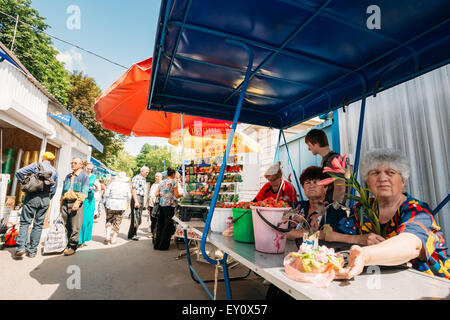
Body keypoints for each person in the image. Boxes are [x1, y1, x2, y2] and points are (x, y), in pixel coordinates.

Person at [320, 149, 449, 279]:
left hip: (431, 283)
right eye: (375, 173)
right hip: (383, 281)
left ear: (403, 181)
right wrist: (359, 239)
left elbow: (411, 245)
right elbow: (331, 235)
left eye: (390, 172)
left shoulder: (416, 209)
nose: (382, 178)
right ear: (367, 182)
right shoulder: (362, 209)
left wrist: (364, 255)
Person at [13, 152, 58, 259]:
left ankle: (21, 248)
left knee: (25, 222)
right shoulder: (54, 171)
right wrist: (48, 198)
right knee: (38, 224)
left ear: (43, 157)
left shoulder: (36, 166)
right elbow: (54, 188)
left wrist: (24, 183)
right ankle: (32, 251)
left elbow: (19, 172)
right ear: (51, 160)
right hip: (45, 198)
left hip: (32, 197)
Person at [286, 166, 349, 241]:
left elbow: (327, 236)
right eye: (307, 183)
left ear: (326, 187)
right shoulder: (299, 206)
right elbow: (284, 228)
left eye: (316, 182)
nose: (311, 186)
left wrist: (292, 233)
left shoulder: (335, 209)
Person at [305, 129, 346, 203]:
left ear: (316, 143)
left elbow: (340, 187)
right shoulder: (326, 159)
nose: (308, 148)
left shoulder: (333, 159)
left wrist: (335, 208)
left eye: (309, 145)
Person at [60, 157, 89, 256]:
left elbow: (84, 192)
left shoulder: (84, 176)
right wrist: (61, 203)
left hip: (75, 203)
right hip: (65, 203)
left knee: (75, 227)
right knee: (65, 225)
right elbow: (63, 191)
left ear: (81, 165)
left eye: (75, 163)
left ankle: (72, 247)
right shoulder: (68, 176)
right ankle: (66, 245)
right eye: (71, 163)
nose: (73, 165)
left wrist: (77, 203)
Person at [154, 167, 182, 250]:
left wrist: (163, 195)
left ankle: (157, 245)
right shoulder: (174, 182)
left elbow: (156, 194)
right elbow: (177, 195)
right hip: (169, 206)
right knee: (167, 226)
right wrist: (183, 194)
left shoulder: (162, 182)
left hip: (161, 205)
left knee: (160, 225)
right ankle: (163, 246)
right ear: (173, 174)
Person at [103, 172, 131, 245]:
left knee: (109, 220)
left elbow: (106, 194)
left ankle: (107, 236)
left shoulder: (112, 184)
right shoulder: (126, 185)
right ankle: (113, 239)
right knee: (117, 222)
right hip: (121, 205)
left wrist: (105, 201)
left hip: (110, 204)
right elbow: (129, 196)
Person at [78, 162, 99, 248]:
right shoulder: (80, 175)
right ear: (84, 167)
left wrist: (96, 187)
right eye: (88, 168)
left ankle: (83, 239)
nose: (89, 170)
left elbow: (97, 189)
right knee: (81, 221)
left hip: (90, 201)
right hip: (82, 200)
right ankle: (79, 240)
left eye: (91, 169)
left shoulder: (93, 177)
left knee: (87, 221)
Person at [128, 166, 149, 240]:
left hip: (140, 198)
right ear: (142, 171)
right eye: (146, 172)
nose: (147, 173)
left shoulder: (143, 179)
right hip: (136, 197)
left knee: (138, 217)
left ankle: (131, 234)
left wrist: (143, 203)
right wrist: (136, 201)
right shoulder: (137, 178)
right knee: (135, 217)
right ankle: (133, 234)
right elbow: (133, 190)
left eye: (148, 172)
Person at [147, 172, 162, 238]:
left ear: (161, 177)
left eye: (158, 176)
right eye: (156, 176)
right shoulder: (153, 184)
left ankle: (157, 234)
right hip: (151, 205)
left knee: (158, 220)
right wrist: (148, 205)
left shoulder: (162, 184)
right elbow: (150, 195)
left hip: (158, 205)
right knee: (152, 220)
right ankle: (153, 234)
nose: (156, 177)